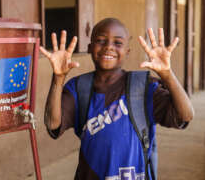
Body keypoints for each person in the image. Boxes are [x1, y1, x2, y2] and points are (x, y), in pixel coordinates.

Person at [39, 18, 194, 180]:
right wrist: (58, 78)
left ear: (127, 50)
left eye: (118, 43)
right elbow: (52, 123)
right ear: (90, 48)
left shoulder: (143, 86)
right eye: (100, 41)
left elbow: (186, 115)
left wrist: (167, 75)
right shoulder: (78, 88)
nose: (108, 47)